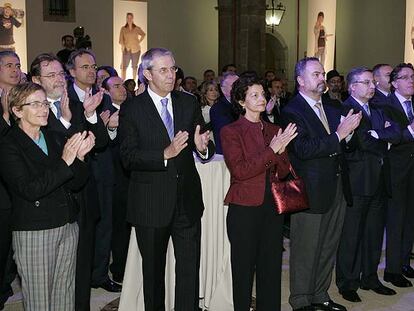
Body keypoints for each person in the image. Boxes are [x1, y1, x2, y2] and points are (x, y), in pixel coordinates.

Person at [119, 47, 214, 310]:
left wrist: (202, 146)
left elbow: (203, 141)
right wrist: (165, 153)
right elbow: (128, 156)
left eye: (173, 68)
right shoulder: (133, 108)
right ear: (147, 74)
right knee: (153, 275)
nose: (171, 75)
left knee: (188, 271)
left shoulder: (188, 102)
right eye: (163, 70)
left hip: (187, 201)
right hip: (151, 203)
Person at [0, 82, 95, 311]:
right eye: (35, 104)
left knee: (64, 297)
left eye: (44, 103)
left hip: (67, 226)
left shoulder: (53, 137)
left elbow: (76, 184)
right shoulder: (8, 144)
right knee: (40, 301)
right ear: (17, 110)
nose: (43, 109)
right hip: (35, 230)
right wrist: (65, 161)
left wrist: (79, 158)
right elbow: (30, 189)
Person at [282, 57, 361, 311]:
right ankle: (301, 300)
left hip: (337, 184)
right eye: (315, 74)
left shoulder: (332, 106)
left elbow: (348, 144)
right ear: (301, 81)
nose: (321, 78)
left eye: (322, 73)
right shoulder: (292, 110)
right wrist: (339, 134)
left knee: (328, 244)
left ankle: (320, 294)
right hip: (310, 188)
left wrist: (348, 136)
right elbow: (302, 148)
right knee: (306, 247)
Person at [221, 75, 297, 310]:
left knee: (271, 268)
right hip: (244, 208)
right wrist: (272, 150)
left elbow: (284, 170)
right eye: (254, 95)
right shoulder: (231, 131)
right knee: (243, 269)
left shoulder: (275, 129)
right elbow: (240, 171)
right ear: (241, 101)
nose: (261, 99)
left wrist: (281, 151)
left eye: (262, 94)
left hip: (272, 207)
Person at [336, 67, 399, 303]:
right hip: (358, 181)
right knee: (352, 234)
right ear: (352, 86)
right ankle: (347, 282)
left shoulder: (377, 108)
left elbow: (395, 133)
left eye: (373, 82)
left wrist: (379, 135)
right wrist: (381, 138)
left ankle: (370, 277)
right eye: (367, 83)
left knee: (373, 233)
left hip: (379, 179)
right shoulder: (345, 109)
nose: (373, 86)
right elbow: (362, 142)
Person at [381, 63, 414, 288]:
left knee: (410, 219)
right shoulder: (386, 105)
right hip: (396, 170)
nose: (411, 81)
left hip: (412, 171)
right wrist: (410, 130)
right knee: (395, 221)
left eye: (413, 76)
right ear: (394, 83)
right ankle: (392, 270)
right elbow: (391, 136)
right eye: (406, 77)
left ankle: (404, 262)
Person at [101, 75, 130, 283]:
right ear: (107, 91)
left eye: (123, 85)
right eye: (116, 86)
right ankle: (119, 269)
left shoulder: (133, 109)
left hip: (132, 176)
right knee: (118, 227)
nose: (122, 89)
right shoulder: (105, 113)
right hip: (114, 178)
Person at [210, 72, 239, 154]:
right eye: (234, 86)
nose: (238, 89)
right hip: (228, 156)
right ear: (223, 89)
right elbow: (228, 134)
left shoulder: (242, 105)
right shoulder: (218, 108)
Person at [119, 12, 146, 81]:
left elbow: (143, 34)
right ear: (126, 18)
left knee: (134, 67)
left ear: (132, 18)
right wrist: (123, 47)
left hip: (136, 50)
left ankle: (133, 81)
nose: (129, 19)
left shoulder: (136, 28)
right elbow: (121, 40)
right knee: (124, 67)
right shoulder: (123, 29)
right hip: (127, 50)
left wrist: (139, 41)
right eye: (128, 17)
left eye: (130, 17)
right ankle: (123, 81)